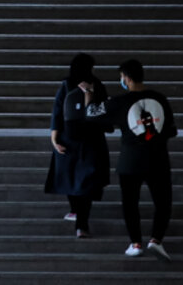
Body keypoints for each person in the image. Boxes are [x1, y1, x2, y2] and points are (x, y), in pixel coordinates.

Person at [84, 58, 177, 259]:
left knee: (130, 203)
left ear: (126, 78)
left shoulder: (120, 102)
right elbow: (172, 130)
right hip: (158, 160)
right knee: (163, 202)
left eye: (122, 77)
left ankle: (135, 243)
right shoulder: (160, 98)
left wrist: (88, 93)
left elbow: (90, 113)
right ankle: (156, 240)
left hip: (130, 161)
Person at [45, 53, 111, 238]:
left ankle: (81, 222)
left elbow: (57, 112)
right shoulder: (93, 85)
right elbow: (100, 112)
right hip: (86, 141)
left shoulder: (75, 85)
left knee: (79, 181)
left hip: (74, 140)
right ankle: (79, 219)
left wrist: (54, 139)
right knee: (79, 182)